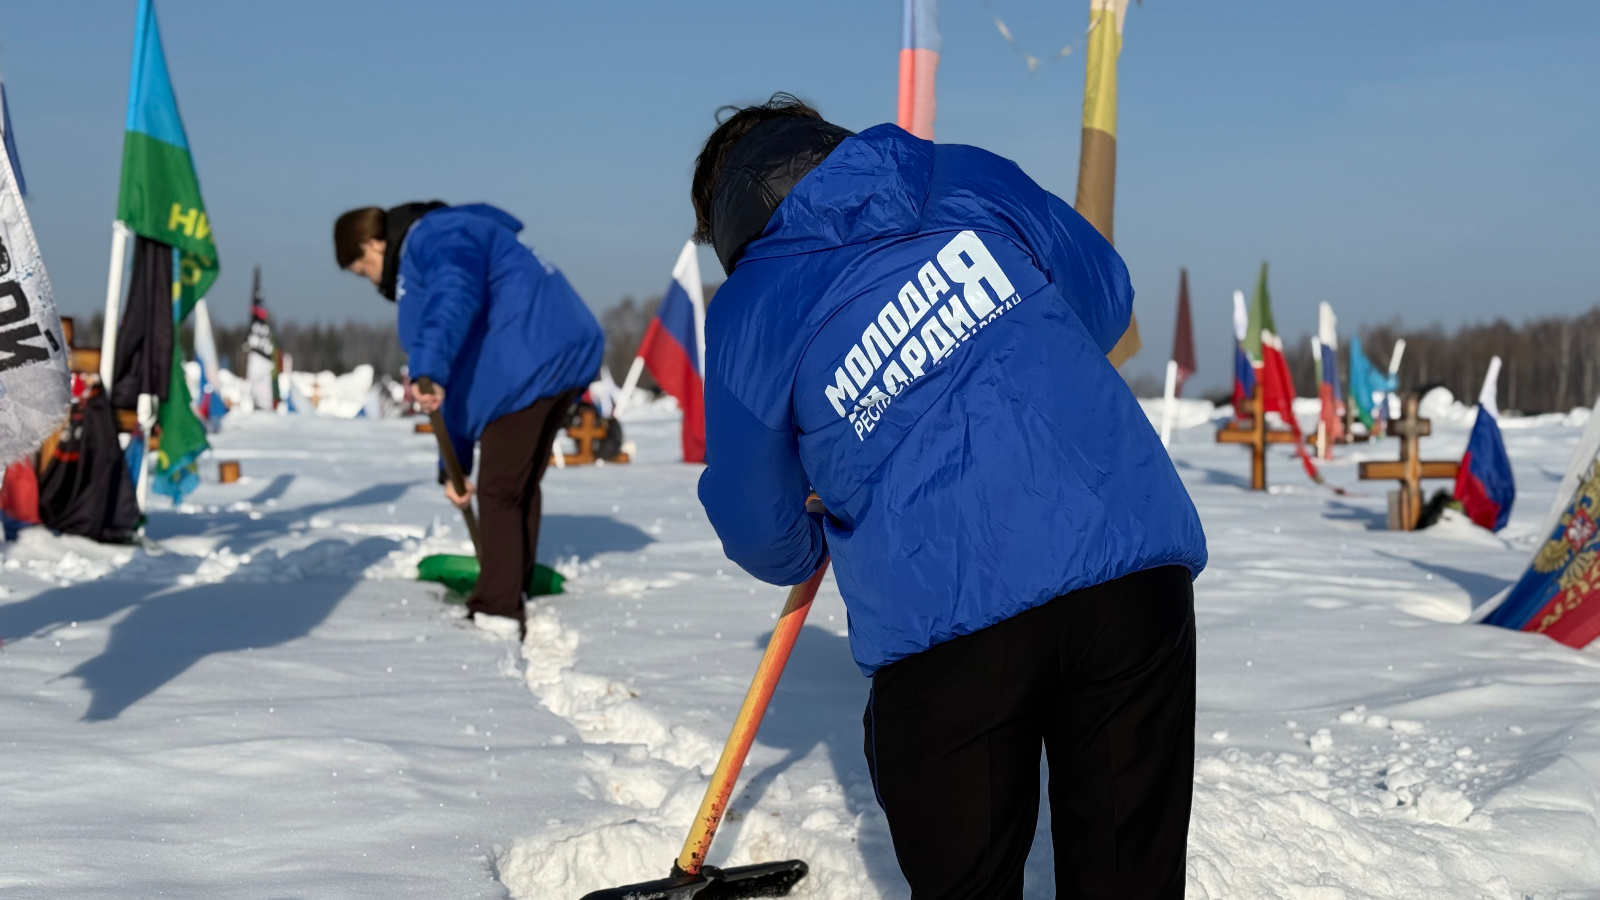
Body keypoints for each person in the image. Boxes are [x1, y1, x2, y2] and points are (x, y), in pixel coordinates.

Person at [691, 95, 1208, 899]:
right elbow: (1103, 299)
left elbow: (756, 522)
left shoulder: (751, 307)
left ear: (725, 222)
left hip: (947, 616)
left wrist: (816, 524)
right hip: (1126, 569)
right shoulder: (962, 174)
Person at [334, 202, 602, 637]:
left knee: (500, 490)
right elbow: (459, 376)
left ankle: (497, 608)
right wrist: (453, 468)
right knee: (516, 485)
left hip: (529, 363)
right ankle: (512, 581)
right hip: (550, 358)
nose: (369, 280)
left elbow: (454, 294)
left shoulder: (434, 234)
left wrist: (428, 367)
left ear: (372, 245)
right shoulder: (438, 242)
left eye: (362, 269)